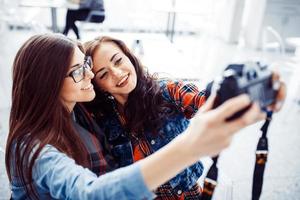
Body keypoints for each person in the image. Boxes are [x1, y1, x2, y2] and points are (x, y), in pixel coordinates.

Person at [5, 33, 271, 200]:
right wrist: (190, 146)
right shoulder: (41, 146)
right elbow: (90, 193)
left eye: (85, 66)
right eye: (96, 73)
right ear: (47, 84)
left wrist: (240, 87)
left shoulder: (161, 90)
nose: (89, 75)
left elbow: (202, 98)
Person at [83, 36, 286, 199]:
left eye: (118, 60)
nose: (117, 73)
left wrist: (248, 90)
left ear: (129, 56)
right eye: (103, 74)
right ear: (98, 85)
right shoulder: (103, 119)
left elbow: (207, 100)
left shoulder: (166, 91)